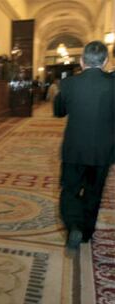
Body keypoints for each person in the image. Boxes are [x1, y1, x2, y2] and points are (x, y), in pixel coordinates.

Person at [54, 40, 114, 253]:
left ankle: (74, 227)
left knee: (69, 191)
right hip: (103, 152)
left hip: (74, 150)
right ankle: (87, 233)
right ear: (105, 61)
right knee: (94, 193)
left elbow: (59, 112)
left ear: (81, 61)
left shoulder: (68, 84)